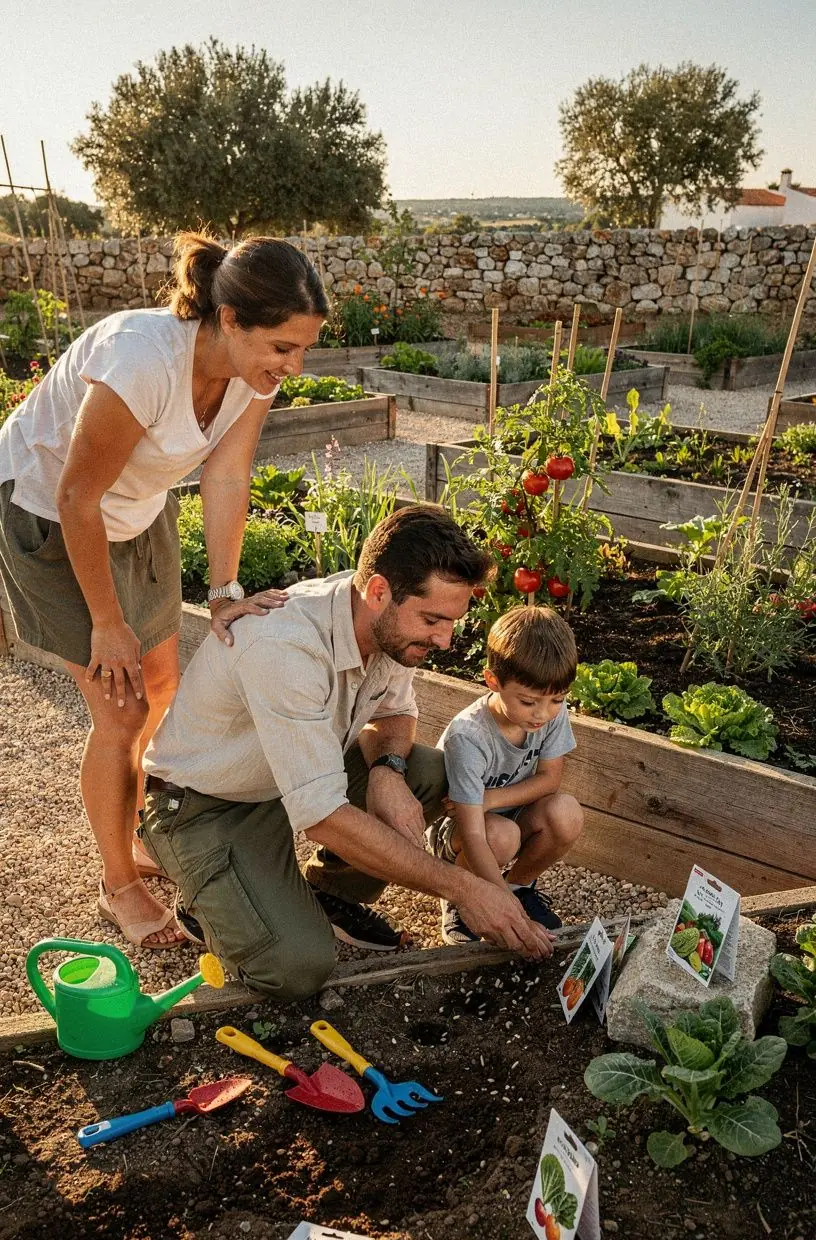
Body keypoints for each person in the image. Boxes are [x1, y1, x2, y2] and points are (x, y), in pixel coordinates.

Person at [0, 231, 328, 948]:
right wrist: (106, 623)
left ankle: (142, 834)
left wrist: (224, 591)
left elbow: (226, 475)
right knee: (120, 709)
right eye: (282, 346)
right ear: (231, 318)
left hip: (137, 512)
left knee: (162, 682)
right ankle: (117, 883)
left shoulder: (253, 375)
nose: (292, 365)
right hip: (49, 513)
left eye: (304, 348)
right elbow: (77, 496)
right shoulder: (142, 358)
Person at [139, 506, 555, 1001]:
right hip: (204, 806)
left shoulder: (381, 619)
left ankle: (327, 895)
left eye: (451, 622)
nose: (444, 640)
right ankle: (207, 903)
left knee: (424, 771)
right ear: (379, 592)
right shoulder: (284, 648)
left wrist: (387, 770)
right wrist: (464, 889)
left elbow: (397, 713)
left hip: (283, 781)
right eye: (433, 620)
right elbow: (322, 816)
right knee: (296, 969)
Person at [428, 604, 584, 944]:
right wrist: (504, 910)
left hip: (499, 811)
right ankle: (463, 898)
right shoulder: (469, 737)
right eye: (528, 702)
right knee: (500, 835)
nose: (543, 714)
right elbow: (472, 833)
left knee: (566, 813)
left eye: (557, 699)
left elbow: (550, 780)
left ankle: (518, 887)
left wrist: (490, 799)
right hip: (457, 831)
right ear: (493, 681)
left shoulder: (551, 709)